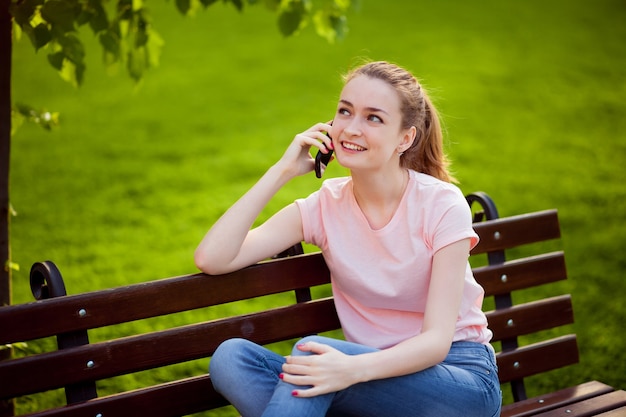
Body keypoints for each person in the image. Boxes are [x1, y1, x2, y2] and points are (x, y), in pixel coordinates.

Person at [194, 60, 502, 417]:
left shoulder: (441, 204)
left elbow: (435, 343)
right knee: (231, 358)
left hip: (458, 381)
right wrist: (282, 171)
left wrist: (350, 370)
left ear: (406, 138)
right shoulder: (324, 207)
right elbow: (212, 258)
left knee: (313, 356)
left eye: (373, 118)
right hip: (369, 382)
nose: (351, 129)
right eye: (345, 111)